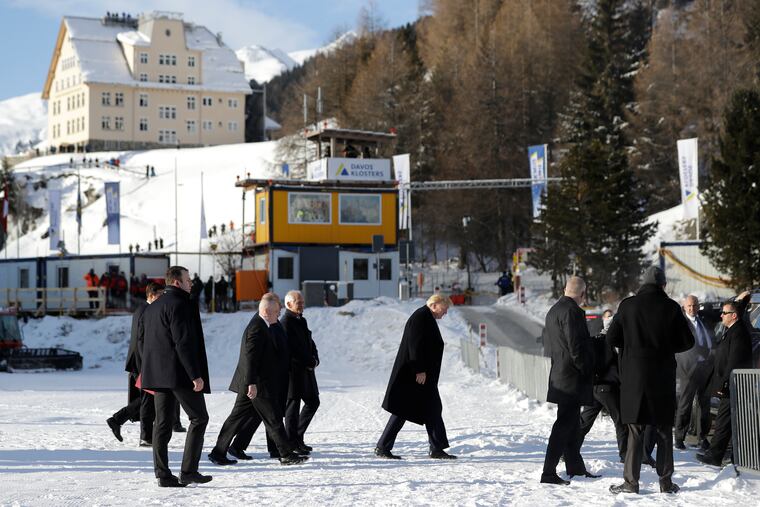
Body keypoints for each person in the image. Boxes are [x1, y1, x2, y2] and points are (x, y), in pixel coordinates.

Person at [607, 266, 694, 495]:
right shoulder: (671, 308)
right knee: (664, 431)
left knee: (635, 431)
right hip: (662, 378)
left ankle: (630, 483)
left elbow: (612, 337)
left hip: (634, 378)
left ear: (642, 284)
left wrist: (632, 348)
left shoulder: (627, 306)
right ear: (663, 285)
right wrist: (664, 347)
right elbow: (687, 342)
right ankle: (665, 483)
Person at [207, 294, 306, 466]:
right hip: (256, 384)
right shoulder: (257, 328)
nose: (279, 313)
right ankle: (286, 454)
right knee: (273, 418)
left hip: (254, 382)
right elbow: (250, 359)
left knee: (236, 418)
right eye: (277, 310)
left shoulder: (265, 324)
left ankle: (219, 452)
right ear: (267, 311)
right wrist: (251, 383)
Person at [141, 266, 212, 487]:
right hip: (178, 374)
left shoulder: (152, 307)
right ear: (177, 283)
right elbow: (183, 343)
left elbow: (145, 343)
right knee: (199, 418)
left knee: (162, 423)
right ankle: (189, 470)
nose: (191, 283)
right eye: (188, 280)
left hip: (157, 373)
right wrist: (195, 374)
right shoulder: (181, 305)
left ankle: (162, 474)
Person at [375, 294, 456, 460]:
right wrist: (419, 369)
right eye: (445, 308)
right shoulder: (421, 317)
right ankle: (383, 447)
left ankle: (436, 448)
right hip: (415, 375)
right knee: (404, 410)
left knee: (430, 409)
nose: (445, 313)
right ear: (435, 304)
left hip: (422, 376)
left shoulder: (426, 316)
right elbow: (414, 345)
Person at [540, 276, 596, 485]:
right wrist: (587, 369)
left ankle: (575, 468)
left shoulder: (554, 309)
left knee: (571, 424)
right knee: (564, 425)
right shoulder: (572, 311)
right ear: (582, 294)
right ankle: (548, 472)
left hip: (561, 375)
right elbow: (576, 347)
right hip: (572, 377)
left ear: (565, 289)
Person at [697, 292, 752, 467]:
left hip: (734, 385)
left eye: (724, 313)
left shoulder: (739, 333)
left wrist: (724, 384)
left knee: (724, 421)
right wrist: (740, 300)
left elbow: (734, 362)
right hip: (730, 384)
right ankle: (723, 455)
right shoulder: (733, 329)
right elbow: (738, 307)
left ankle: (715, 456)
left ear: (733, 316)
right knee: (727, 421)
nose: (721, 315)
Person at [106, 282, 163, 446]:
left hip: (139, 360)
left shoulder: (142, 309)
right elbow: (141, 340)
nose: (162, 298)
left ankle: (118, 420)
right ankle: (145, 436)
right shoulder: (147, 311)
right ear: (152, 295)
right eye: (160, 295)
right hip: (142, 361)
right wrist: (147, 364)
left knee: (146, 397)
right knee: (147, 399)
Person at [571, 308, 628, 464]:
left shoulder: (595, 340)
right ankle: (625, 456)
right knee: (621, 421)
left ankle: (568, 450)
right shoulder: (614, 343)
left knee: (584, 422)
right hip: (608, 388)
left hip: (594, 387)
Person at [673, 295, 715, 450]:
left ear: (698, 306)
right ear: (684, 307)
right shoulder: (681, 324)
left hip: (706, 368)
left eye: (695, 305)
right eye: (689, 306)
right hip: (688, 369)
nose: (692, 309)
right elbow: (684, 346)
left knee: (705, 405)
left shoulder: (703, 320)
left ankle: (703, 437)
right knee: (685, 405)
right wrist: (702, 353)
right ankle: (679, 437)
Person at [282, 290, 320, 453]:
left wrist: (315, 357)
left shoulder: (301, 320)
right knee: (292, 407)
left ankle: (298, 437)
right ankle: (292, 442)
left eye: (303, 302)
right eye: (299, 302)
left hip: (306, 371)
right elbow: (293, 349)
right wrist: (309, 360)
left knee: (313, 402)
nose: (302, 305)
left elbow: (310, 342)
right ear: (289, 304)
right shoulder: (286, 322)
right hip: (294, 372)